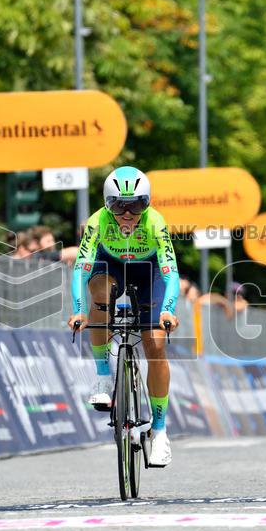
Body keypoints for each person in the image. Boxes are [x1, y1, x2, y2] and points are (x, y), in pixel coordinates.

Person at [67, 166, 179, 467]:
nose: (127, 214)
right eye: (118, 206)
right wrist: (79, 309)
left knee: (155, 344)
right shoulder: (97, 223)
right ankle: (104, 377)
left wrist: (168, 309)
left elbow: (171, 272)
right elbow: (80, 270)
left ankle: (159, 431)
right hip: (110, 265)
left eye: (136, 205)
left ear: (147, 203)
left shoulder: (155, 223)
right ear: (107, 205)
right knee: (100, 296)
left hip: (148, 271)